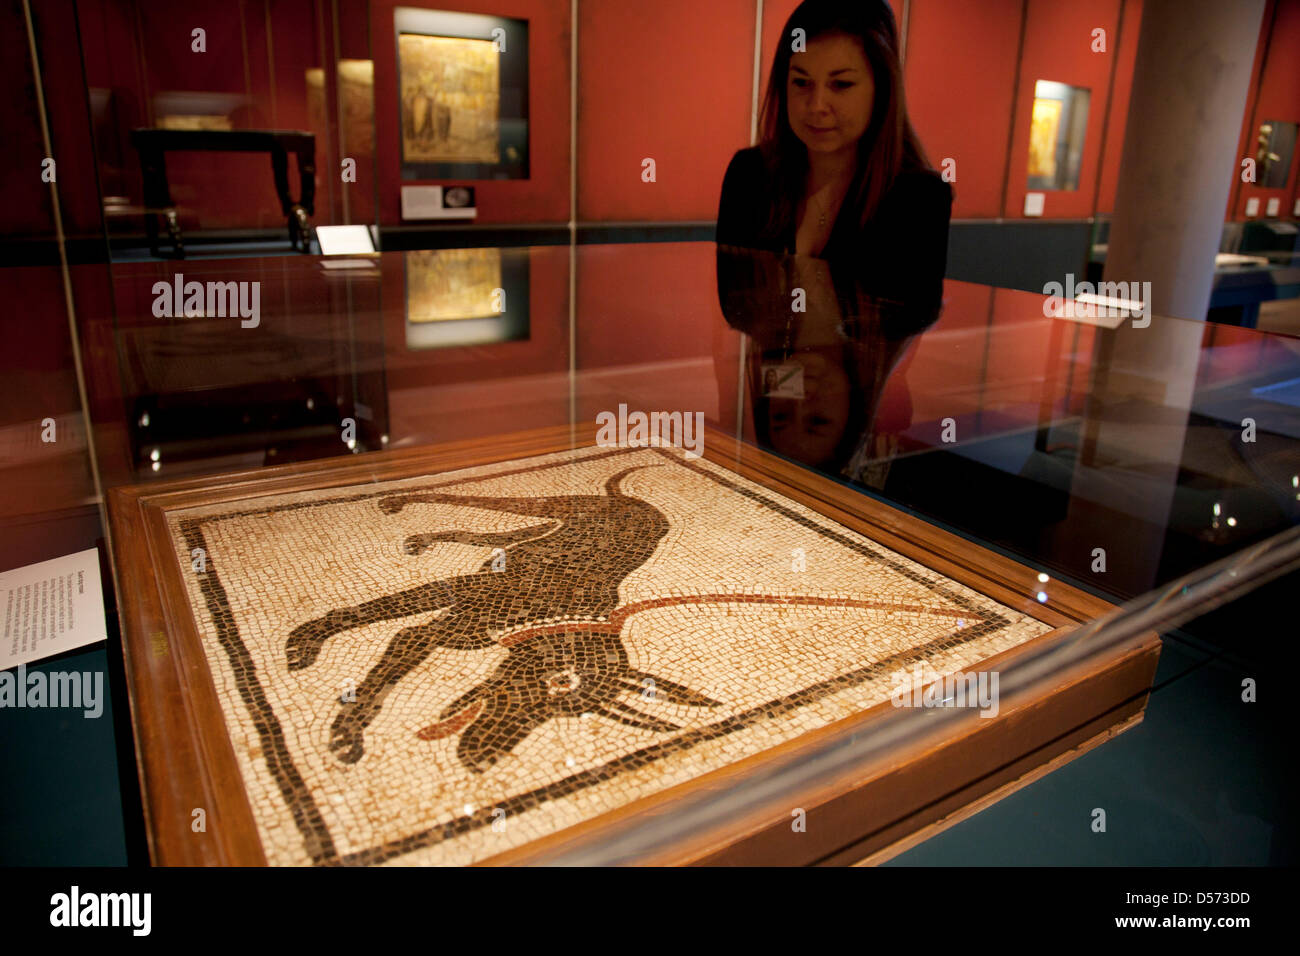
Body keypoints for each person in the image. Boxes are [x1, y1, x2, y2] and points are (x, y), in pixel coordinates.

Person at [716, 0, 951, 312]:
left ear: (881, 89)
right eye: (801, 82)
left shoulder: (918, 199)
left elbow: (904, 335)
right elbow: (731, 315)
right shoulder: (750, 175)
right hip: (763, 362)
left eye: (841, 85)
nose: (816, 105)